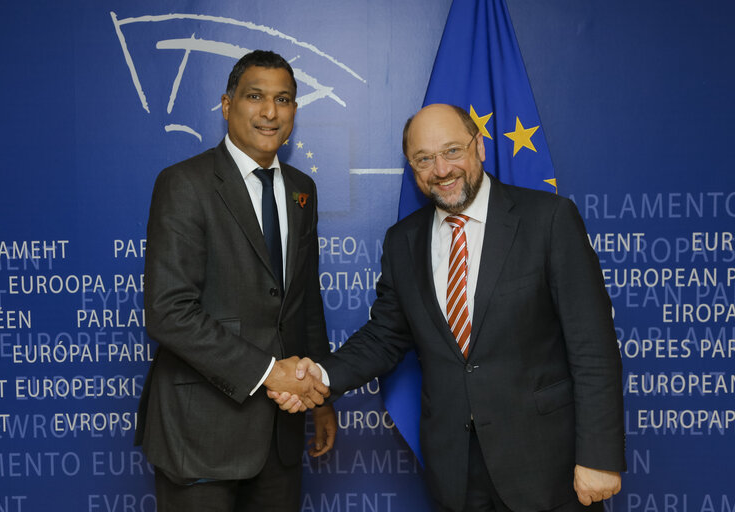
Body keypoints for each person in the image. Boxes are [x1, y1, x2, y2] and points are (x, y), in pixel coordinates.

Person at [271, 104, 625, 512]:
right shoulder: (403, 241)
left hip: (548, 467)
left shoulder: (548, 220)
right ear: (412, 167)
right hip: (455, 473)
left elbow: (593, 347)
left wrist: (599, 456)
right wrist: (321, 375)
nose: (441, 169)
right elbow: (385, 338)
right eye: (424, 159)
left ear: (479, 146)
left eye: (452, 151)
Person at [135, 50, 337, 512]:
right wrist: (270, 372)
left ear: (294, 112)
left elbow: (304, 303)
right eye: (255, 97)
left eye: (283, 99)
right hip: (201, 431)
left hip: (282, 436)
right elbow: (168, 313)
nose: (270, 112)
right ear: (228, 105)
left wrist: (322, 396)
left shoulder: (302, 188)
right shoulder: (184, 183)